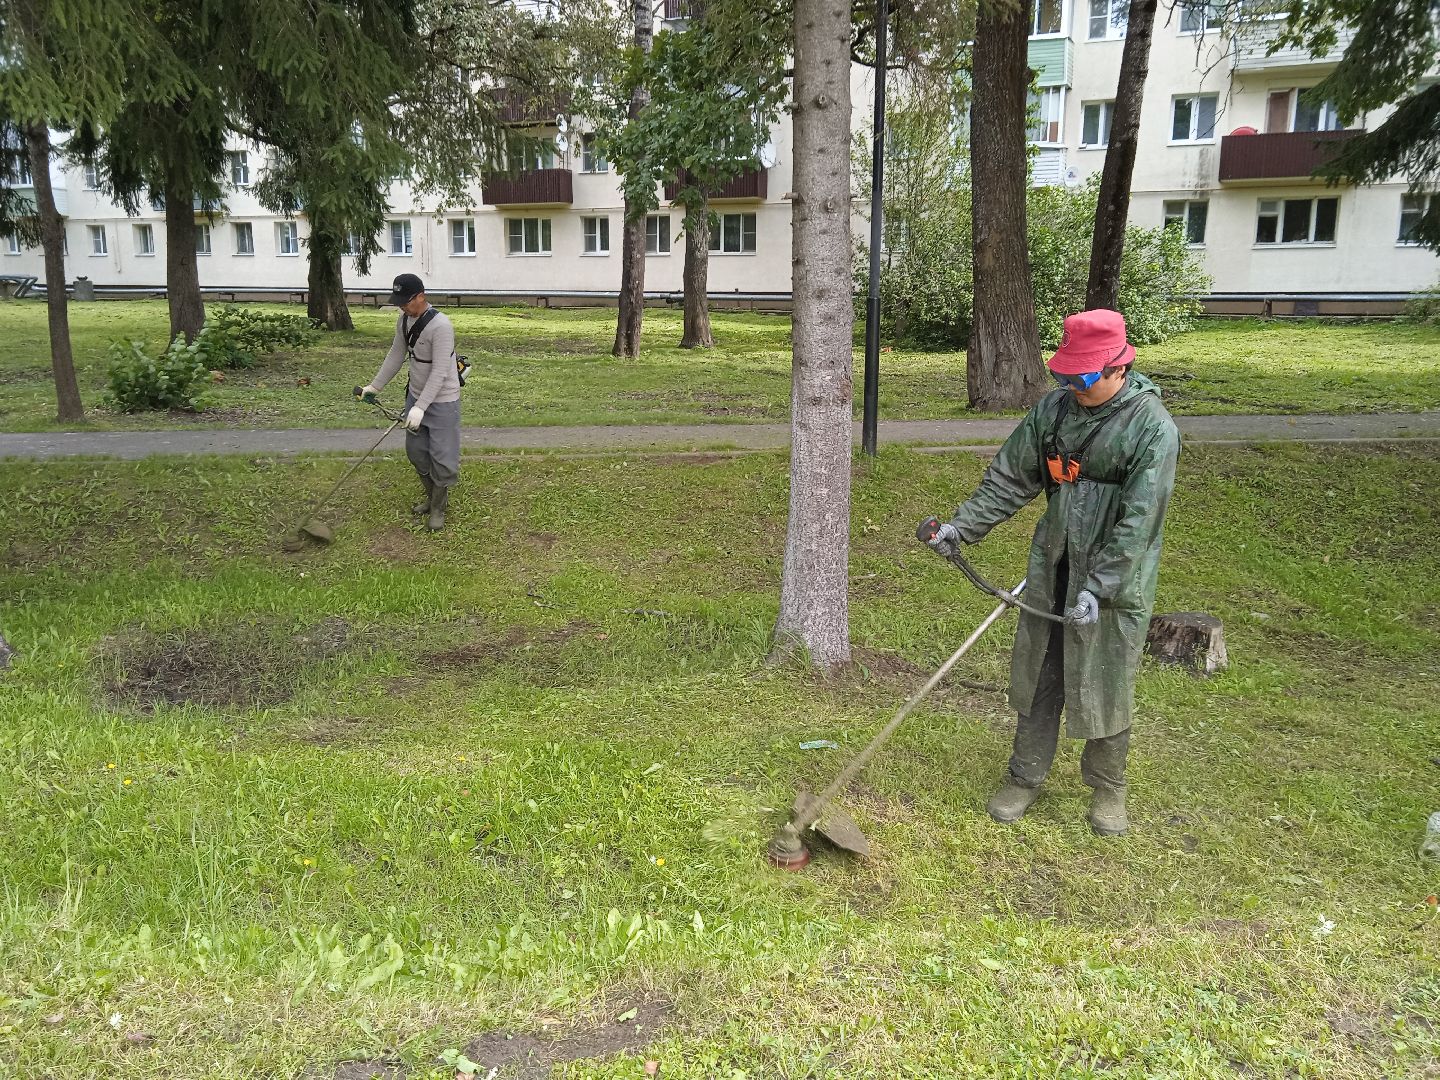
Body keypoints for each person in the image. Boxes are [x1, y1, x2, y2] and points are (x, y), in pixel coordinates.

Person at [922, 308, 1180, 836]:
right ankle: (1025, 775)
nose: (1072, 388)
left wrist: (1100, 589)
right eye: (1066, 377)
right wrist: (962, 528)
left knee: (1106, 677)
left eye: (1083, 379)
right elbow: (1010, 478)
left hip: (1115, 581)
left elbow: (1140, 522)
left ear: (1118, 367)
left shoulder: (1152, 428)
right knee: (1040, 671)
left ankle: (1108, 789)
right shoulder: (1055, 410)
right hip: (1053, 566)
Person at [360, 274, 461, 531]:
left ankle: (438, 507)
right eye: (399, 302)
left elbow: (440, 372)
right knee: (416, 452)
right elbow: (396, 354)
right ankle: (431, 496)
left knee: (443, 458)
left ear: (421, 296)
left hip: (442, 401)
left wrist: (420, 407)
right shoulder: (404, 320)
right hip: (416, 396)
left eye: (406, 301)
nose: (402, 306)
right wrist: (375, 386)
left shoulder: (441, 326)